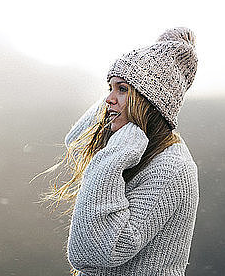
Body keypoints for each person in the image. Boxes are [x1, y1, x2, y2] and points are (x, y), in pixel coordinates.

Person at [42, 27, 199, 276]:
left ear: (148, 100)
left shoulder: (171, 166)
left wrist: (116, 154)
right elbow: (76, 139)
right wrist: (155, 60)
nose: (108, 99)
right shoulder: (138, 143)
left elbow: (97, 251)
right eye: (110, 88)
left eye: (122, 89)